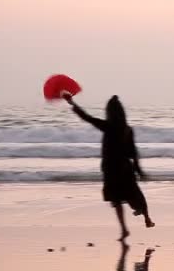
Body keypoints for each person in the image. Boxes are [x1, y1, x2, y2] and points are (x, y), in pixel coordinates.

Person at [64, 94, 154, 240]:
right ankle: (146, 217)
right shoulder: (127, 129)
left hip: (111, 169)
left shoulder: (108, 126)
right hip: (125, 168)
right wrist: (138, 169)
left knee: (117, 200)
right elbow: (133, 152)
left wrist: (71, 103)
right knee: (134, 194)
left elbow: (87, 118)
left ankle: (124, 229)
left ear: (109, 112)